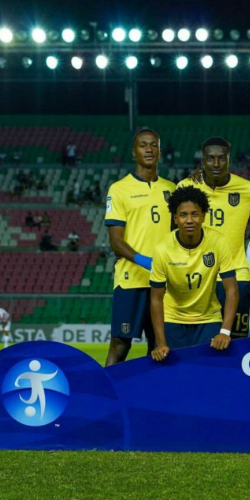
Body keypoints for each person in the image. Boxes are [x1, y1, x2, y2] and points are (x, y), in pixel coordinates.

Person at [179, 137, 250, 339]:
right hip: (197, 276)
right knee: (198, 343)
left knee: (235, 341)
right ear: (202, 161)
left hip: (237, 276)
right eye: (210, 159)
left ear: (229, 159)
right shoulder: (186, 188)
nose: (216, 164)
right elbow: (174, 234)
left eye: (221, 158)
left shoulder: (249, 190)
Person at [104, 128, 176, 366]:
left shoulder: (171, 189)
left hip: (163, 283)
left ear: (159, 151)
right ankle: (105, 399)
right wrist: (145, 261)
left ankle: (152, 399)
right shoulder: (119, 189)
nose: (149, 149)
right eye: (143, 145)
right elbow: (116, 241)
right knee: (121, 343)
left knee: (159, 345)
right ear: (134, 152)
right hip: (131, 280)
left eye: (153, 145)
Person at [149, 186, 238, 361]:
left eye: (195, 214)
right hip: (173, 319)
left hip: (208, 319)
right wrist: (160, 342)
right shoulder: (162, 249)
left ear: (204, 216)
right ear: (175, 218)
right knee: (175, 378)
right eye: (183, 215)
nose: (189, 220)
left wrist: (225, 332)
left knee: (208, 375)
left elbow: (232, 290)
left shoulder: (219, 242)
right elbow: (156, 298)